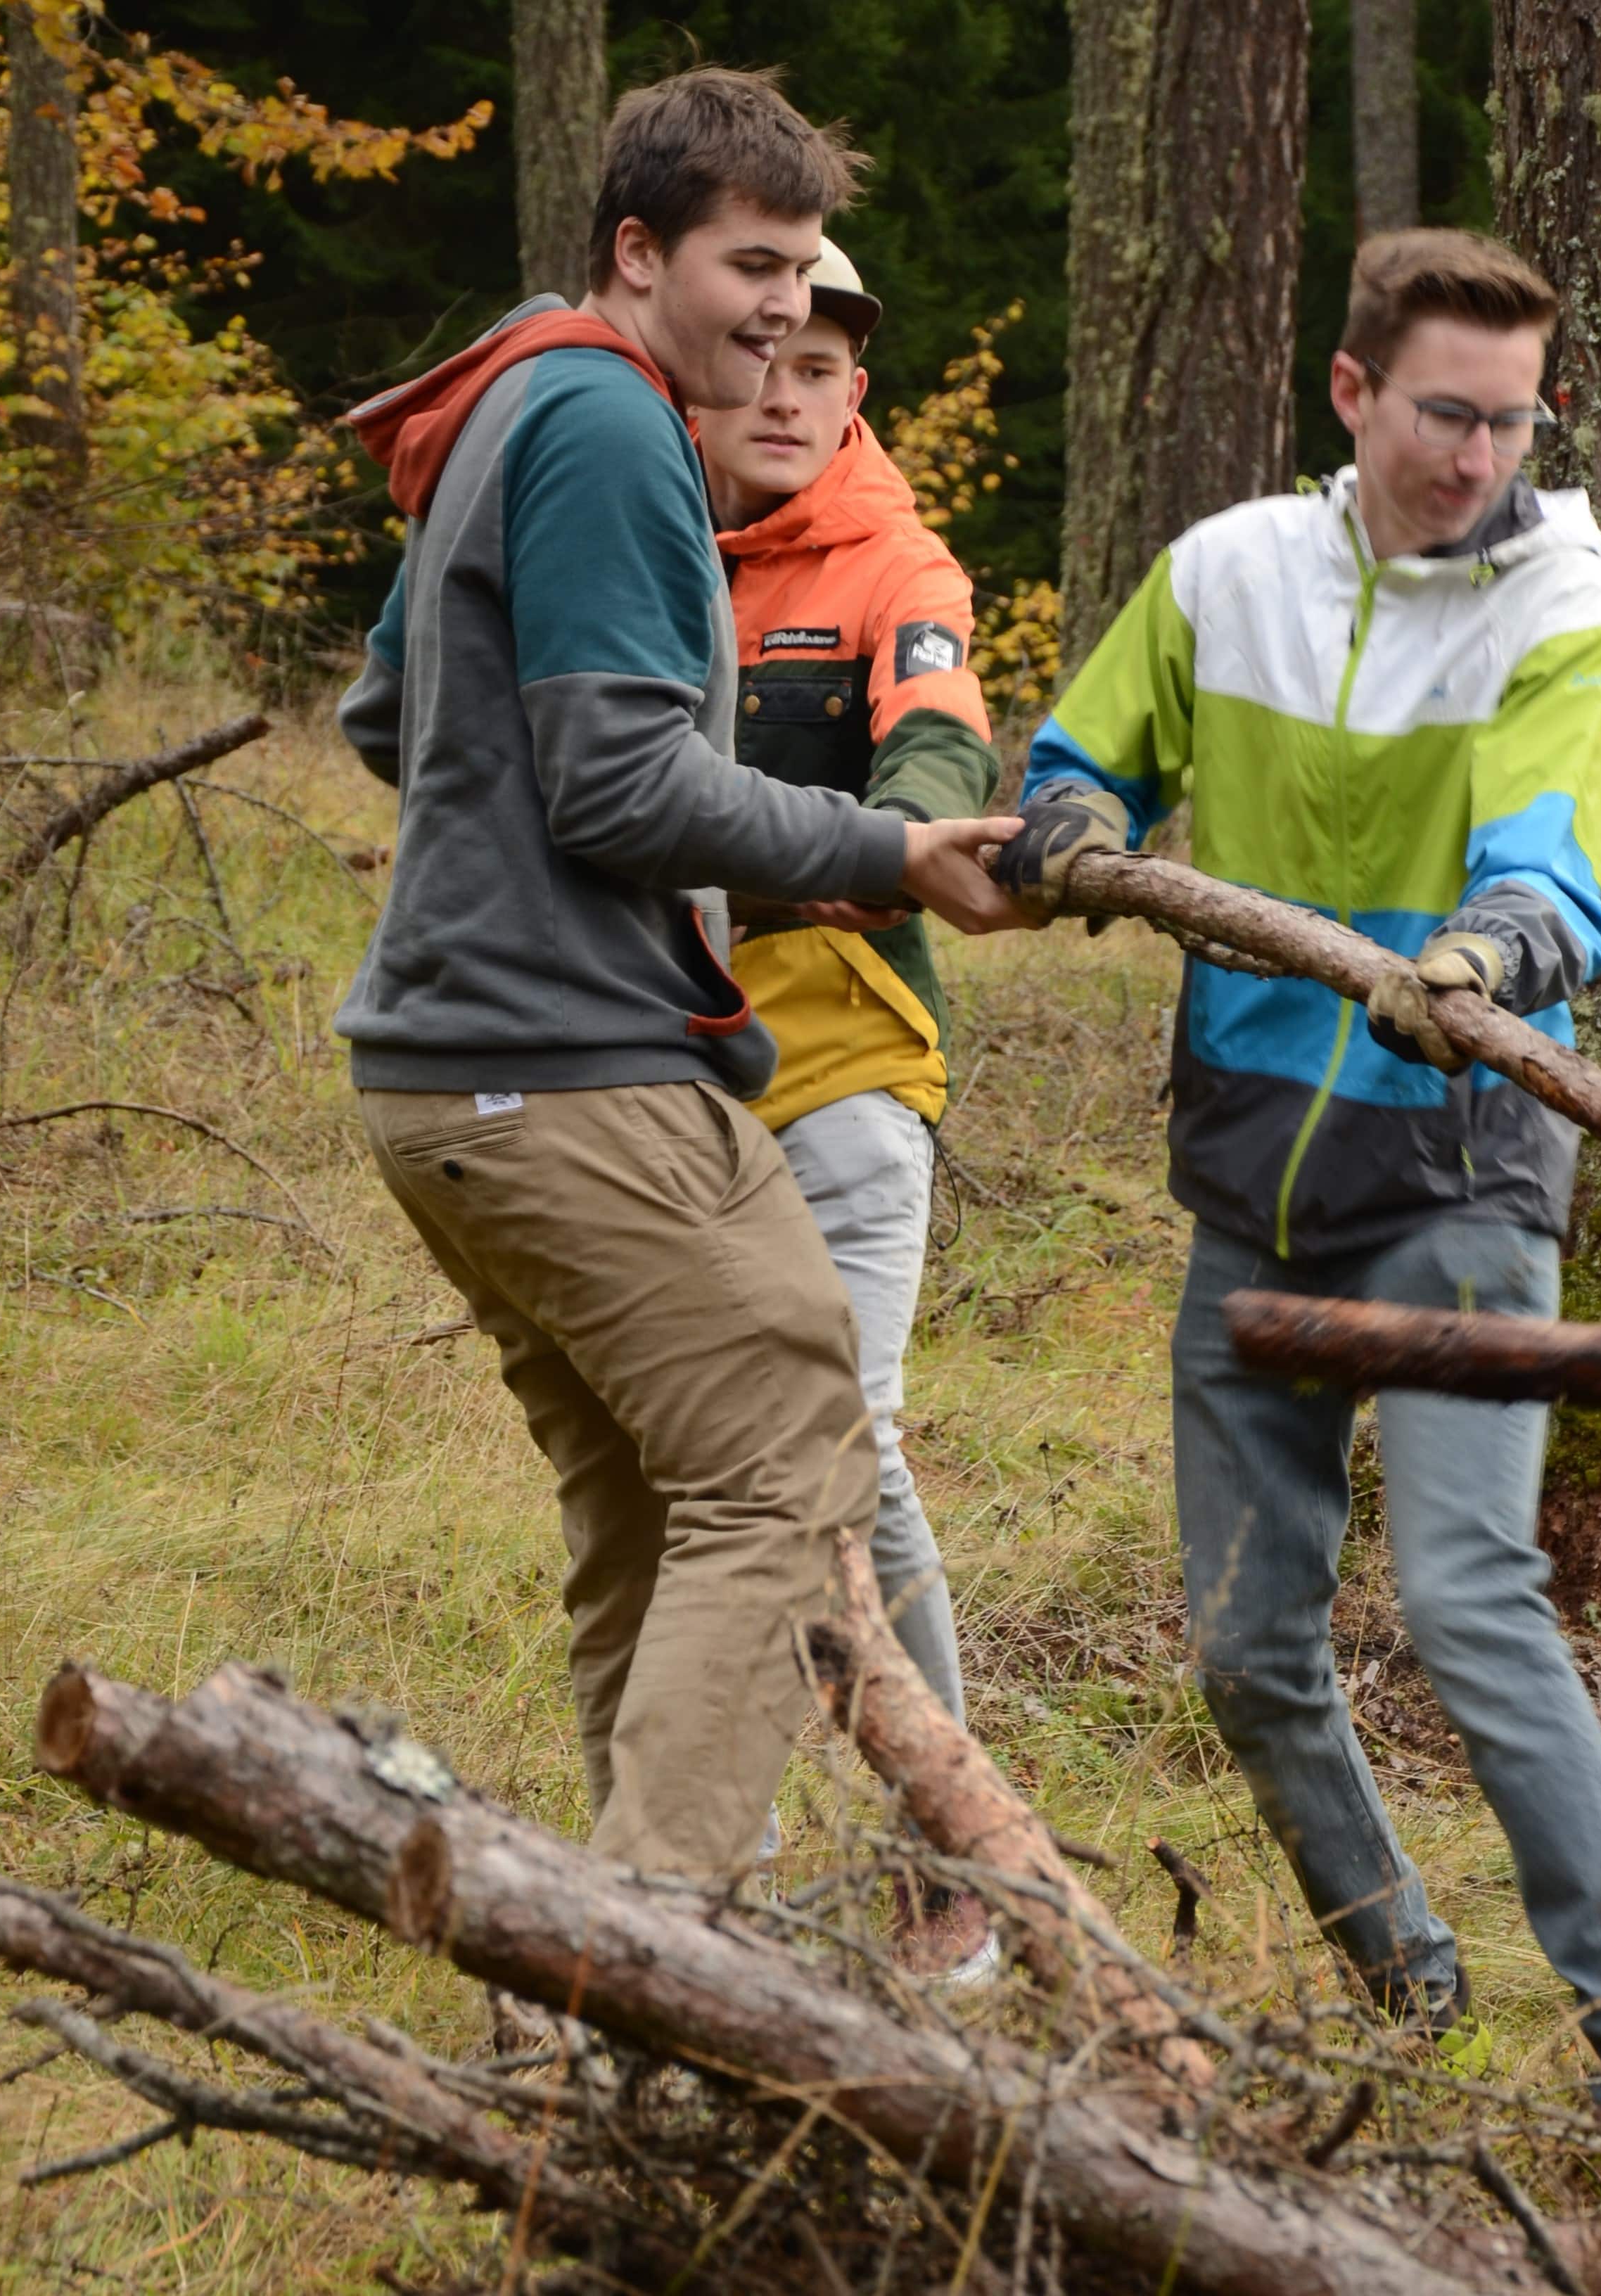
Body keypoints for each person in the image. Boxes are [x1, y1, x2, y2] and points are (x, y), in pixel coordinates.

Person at [993, 227, 1601, 2124]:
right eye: (1446, 415)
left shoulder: (1560, 587)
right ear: (1352, 392)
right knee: (1243, 1649)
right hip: (1253, 1188)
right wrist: (1071, 818)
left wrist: (1484, 960)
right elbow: (1087, 756)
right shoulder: (1227, 571)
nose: (1482, 458)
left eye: (1514, 419)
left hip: (1460, 1174)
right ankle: (1411, 1997)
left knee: (1473, 1604)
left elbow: (1554, 854)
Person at [332, 66, 1023, 1889]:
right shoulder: (618, 425)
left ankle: (612, 1975)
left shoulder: (511, 394)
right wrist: (888, 852)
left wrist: (503, 867)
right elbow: (625, 784)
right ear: (639, 254)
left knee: (652, 1516)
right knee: (799, 1458)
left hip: (441, 1081)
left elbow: (387, 709)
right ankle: (662, 1960)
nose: (784, 307)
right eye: (752, 265)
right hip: (559, 1073)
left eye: (804, 272)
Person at [691, 237, 1000, 1978]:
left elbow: (940, 726)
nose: (789, 398)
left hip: (852, 1074)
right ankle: (715, 1862)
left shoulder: (894, 560)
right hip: (657, 1083)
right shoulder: (642, 530)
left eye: (824, 371)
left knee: (846, 1445)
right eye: (769, 362)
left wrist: (912, 823)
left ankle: (950, 1864)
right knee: (709, 1467)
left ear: (856, 386)